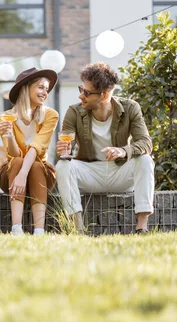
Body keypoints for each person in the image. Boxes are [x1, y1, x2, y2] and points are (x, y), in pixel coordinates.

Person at [55, 62, 154, 233]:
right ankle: (77, 229)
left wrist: (123, 151)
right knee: (63, 166)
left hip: (119, 172)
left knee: (145, 160)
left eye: (86, 92)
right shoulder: (74, 111)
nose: (81, 96)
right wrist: (65, 149)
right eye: (81, 89)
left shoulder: (130, 108)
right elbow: (67, 139)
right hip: (90, 172)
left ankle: (142, 228)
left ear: (104, 95)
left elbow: (146, 142)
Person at [0, 67, 58, 236]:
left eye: (46, 89)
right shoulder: (5, 118)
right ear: (26, 88)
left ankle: (39, 230)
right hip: (12, 174)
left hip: (41, 174)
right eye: (40, 87)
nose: (45, 92)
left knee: (36, 165)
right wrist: (8, 135)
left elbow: (37, 147)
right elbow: (14, 155)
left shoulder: (51, 115)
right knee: (17, 161)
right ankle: (16, 228)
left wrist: (24, 174)